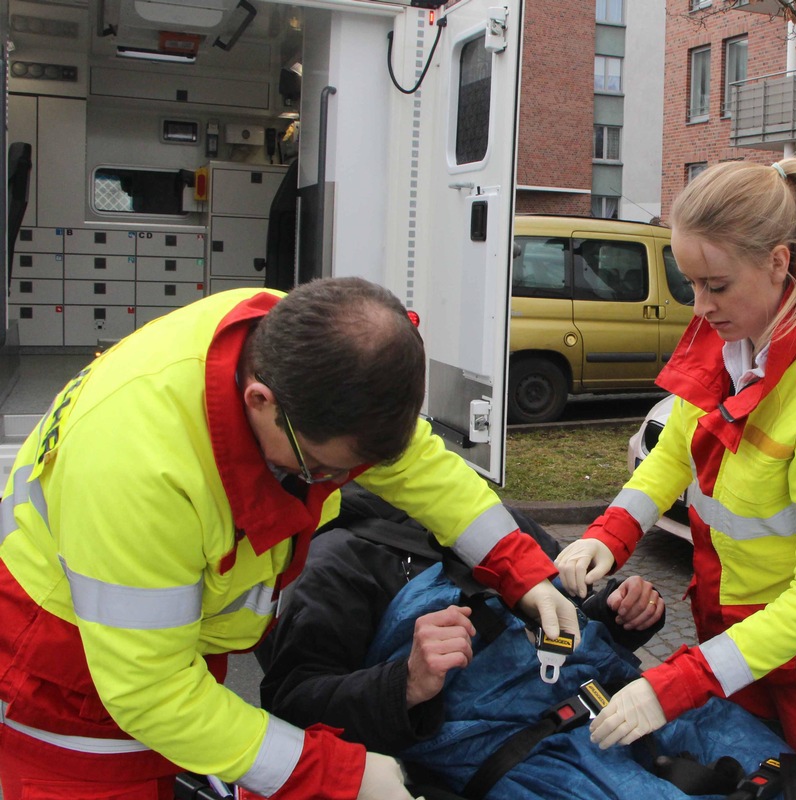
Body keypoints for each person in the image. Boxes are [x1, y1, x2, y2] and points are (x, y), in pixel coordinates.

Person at [0, 278, 579, 800]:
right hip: (62, 688)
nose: (330, 486)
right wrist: (340, 775)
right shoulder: (139, 471)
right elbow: (153, 692)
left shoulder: (295, 347)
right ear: (261, 403)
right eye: (324, 470)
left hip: (163, 660)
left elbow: (416, 468)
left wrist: (521, 569)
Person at [553, 157, 796, 800]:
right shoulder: (731, 342)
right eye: (689, 282)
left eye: (714, 285)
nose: (700, 306)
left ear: (778, 262)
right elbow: (674, 453)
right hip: (741, 647)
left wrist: (675, 686)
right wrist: (607, 536)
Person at [257, 486, 796, 800]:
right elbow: (292, 702)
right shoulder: (333, 562)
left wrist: (620, 613)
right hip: (522, 749)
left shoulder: (478, 511)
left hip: (615, 692)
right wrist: (407, 682)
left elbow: (570, 607)